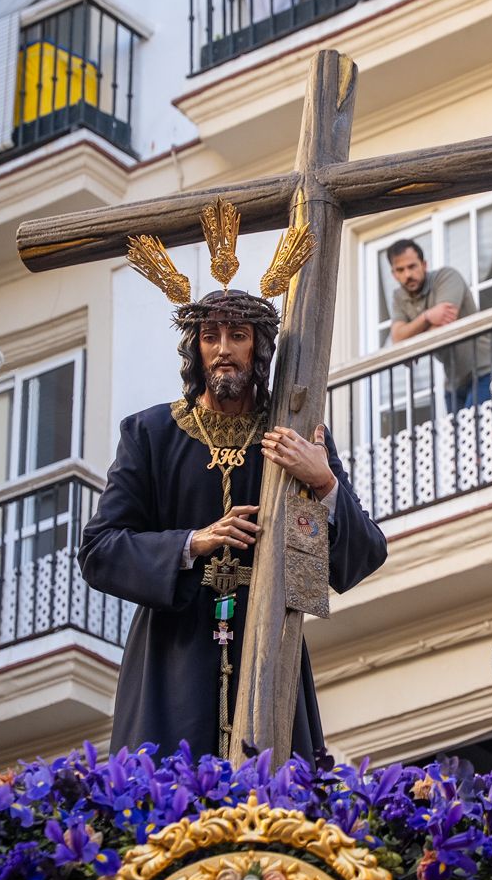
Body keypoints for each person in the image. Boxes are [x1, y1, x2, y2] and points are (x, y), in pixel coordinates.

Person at [80, 226, 388, 762]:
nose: (223, 350)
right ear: (195, 350)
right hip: (173, 650)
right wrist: (193, 543)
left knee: (275, 786)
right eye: (211, 337)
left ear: (259, 347)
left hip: (269, 636)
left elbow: (360, 557)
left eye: (238, 336)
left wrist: (323, 481)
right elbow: (100, 550)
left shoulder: (296, 431)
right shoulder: (151, 435)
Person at [384, 239, 492, 411]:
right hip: (453, 383)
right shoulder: (399, 297)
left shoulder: (446, 277)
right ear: (394, 274)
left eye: (412, 266)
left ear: (424, 264)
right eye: (400, 270)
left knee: (476, 434)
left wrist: (411, 344)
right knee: (457, 437)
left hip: (487, 369)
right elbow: (398, 338)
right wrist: (427, 317)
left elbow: (442, 326)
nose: (407, 274)